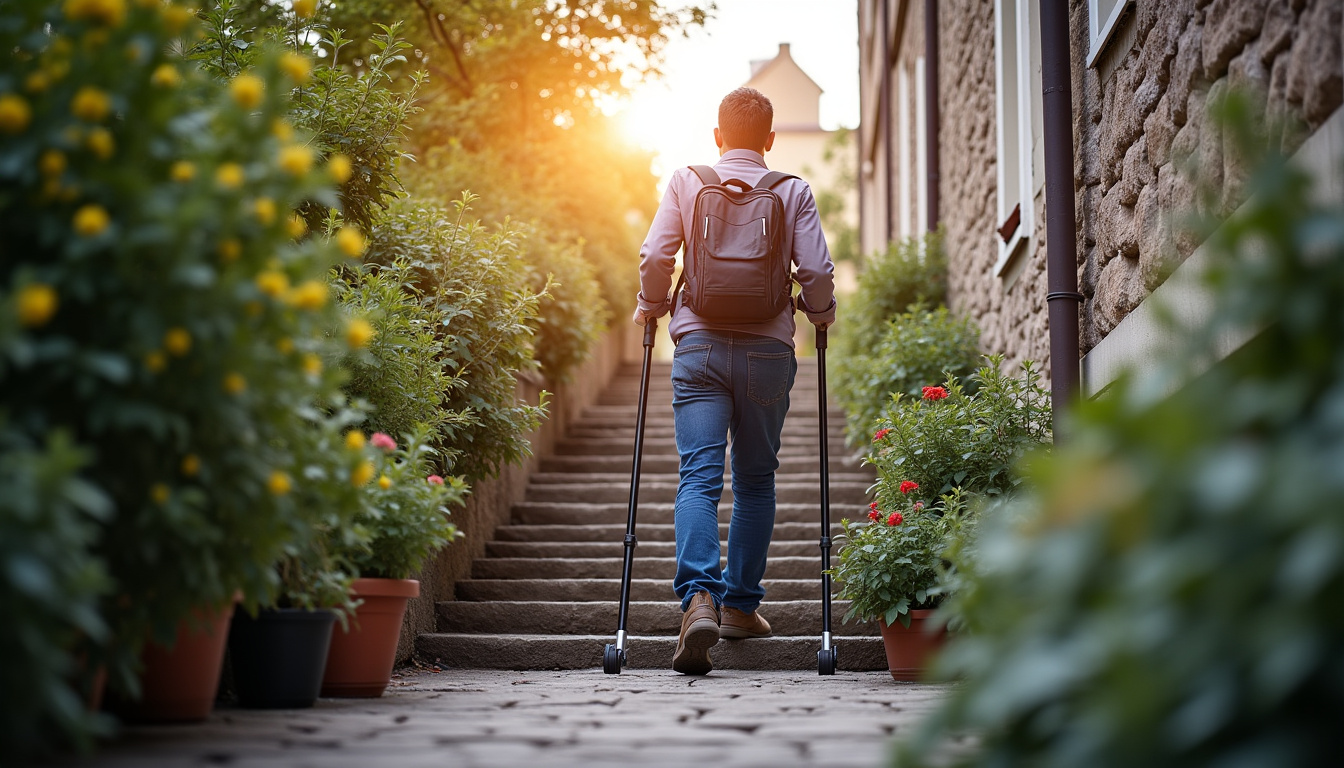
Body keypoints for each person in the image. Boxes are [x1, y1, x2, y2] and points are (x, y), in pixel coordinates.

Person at [633, 86, 836, 675]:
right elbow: (817, 271)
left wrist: (651, 304)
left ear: (717, 136)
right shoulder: (791, 190)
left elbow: (654, 258)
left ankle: (699, 596)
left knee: (698, 476)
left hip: (696, 346)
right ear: (770, 140)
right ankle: (741, 606)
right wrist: (820, 313)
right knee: (754, 480)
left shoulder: (686, 180)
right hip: (768, 352)